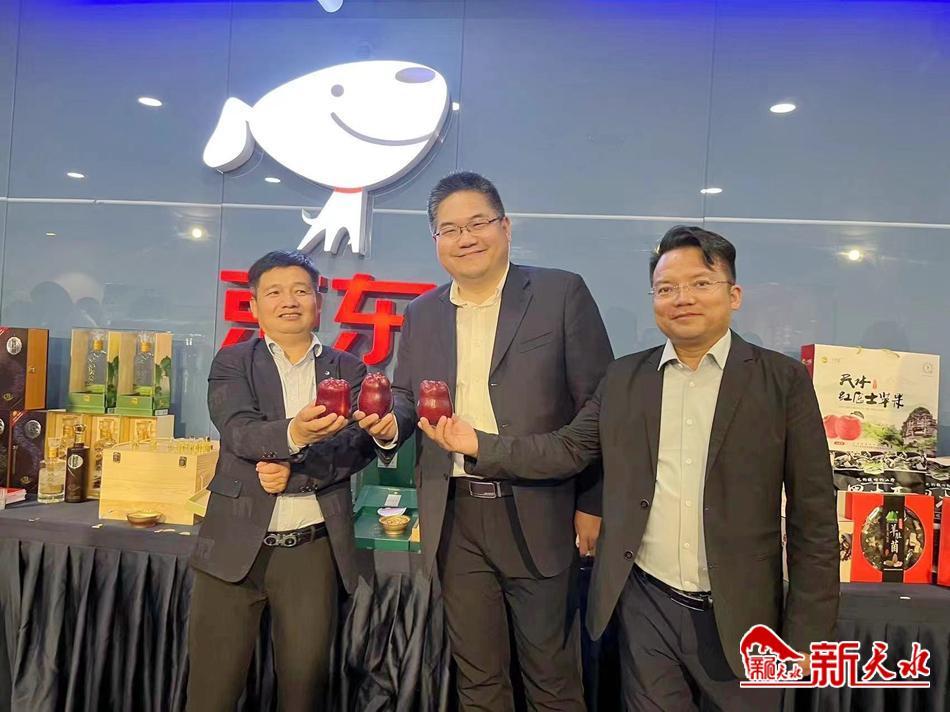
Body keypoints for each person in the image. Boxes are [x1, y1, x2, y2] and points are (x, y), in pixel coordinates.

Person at [422, 225, 839, 711]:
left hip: (743, 616)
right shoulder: (625, 378)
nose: (682, 298)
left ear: (734, 294)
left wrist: (808, 638)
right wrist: (479, 443)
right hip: (647, 609)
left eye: (700, 283)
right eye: (666, 288)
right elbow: (567, 449)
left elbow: (814, 518)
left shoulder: (781, 381)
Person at [356, 172, 613, 711]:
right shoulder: (422, 312)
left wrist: (592, 503)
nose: (466, 238)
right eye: (450, 229)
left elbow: (598, 407)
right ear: (436, 241)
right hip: (455, 514)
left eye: (478, 223)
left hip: (540, 507)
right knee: (478, 679)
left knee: (552, 680)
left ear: (506, 227)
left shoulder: (560, 293)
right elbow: (406, 396)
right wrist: (391, 426)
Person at [187, 250, 376, 711]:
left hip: (311, 550)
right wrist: (295, 433)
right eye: (274, 292)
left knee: (304, 692)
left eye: (300, 291)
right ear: (254, 306)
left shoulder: (348, 369)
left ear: (318, 301)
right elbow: (238, 430)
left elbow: (359, 445)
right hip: (232, 547)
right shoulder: (233, 362)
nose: (288, 301)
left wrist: (295, 470)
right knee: (211, 693)